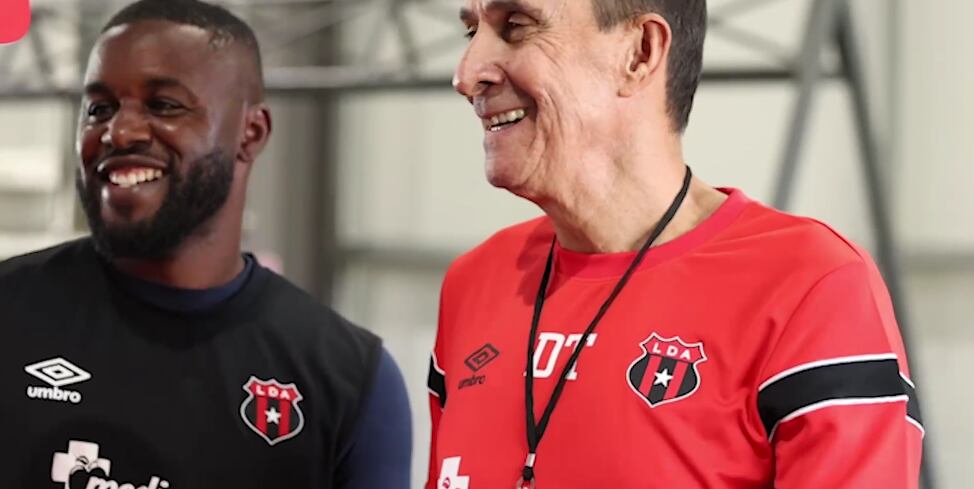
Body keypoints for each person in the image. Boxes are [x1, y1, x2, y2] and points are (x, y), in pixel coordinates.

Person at [426, 0, 923, 487]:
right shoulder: (476, 283)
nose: (467, 74)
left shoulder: (809, 287)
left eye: (516, 25)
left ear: (640, 52)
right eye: (472, 33)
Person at [0, 1, 411, 487]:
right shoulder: (11, 311)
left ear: (250, 133)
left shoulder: (345, 378)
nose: (120, 131)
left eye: (164, 105)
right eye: (99, 109)